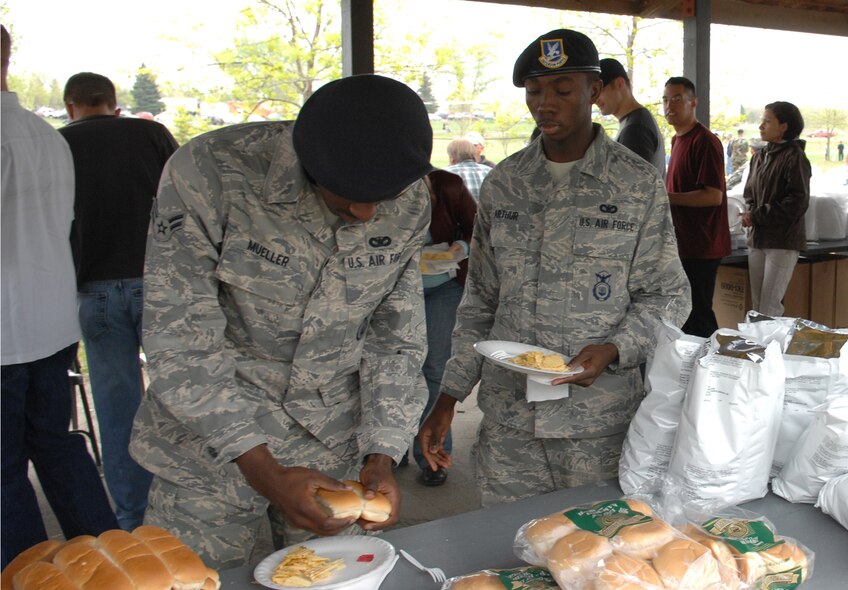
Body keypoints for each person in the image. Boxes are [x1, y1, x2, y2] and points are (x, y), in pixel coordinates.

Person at [128, 74, 435, 569]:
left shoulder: (413, 198)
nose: (365, 211)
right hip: (209, 453)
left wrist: (381, 453)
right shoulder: (211, 173)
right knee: (188, 579)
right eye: (349, 194)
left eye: (384, 196)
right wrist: (263, 469)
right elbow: (181, 340)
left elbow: (395, 340)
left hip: (332, 451)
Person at [418, 29, 691, 508]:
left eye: (563, 91)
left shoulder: (636, 184)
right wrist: (449, 395)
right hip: (509, 423)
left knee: (594, 561)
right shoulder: (505, 183)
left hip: (597, 426)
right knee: (507, 558)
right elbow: (480, 299)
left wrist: (615, 347)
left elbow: (666, 294)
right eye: (534, 92)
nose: (546, 104)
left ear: (595, 91)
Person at [1, 25, 118, 568]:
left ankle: (28, 574)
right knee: (57, 443)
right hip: (49, 319)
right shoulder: (46, 134)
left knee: (3, 468)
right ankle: (108, 559)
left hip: (5, 328)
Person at [58, 72, 179, 531]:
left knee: (117, 410)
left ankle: (132, 516)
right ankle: (186, 505)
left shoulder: (60, 145)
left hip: (95, 288)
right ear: (115, 103)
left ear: (71, 106)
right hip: (162, 284)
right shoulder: (151, 133)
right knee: (183, 397)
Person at [411, 169, 477, 487]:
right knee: (392, 368)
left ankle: (433, 455)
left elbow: (478, 228)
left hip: (442, 286)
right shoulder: (371, 186)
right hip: (392, 290)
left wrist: (459, 249)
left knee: (437, 366)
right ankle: (384, 449)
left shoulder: (447, 185)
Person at [662, 76, 732, 338]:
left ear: (693, 103)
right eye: (666, 100)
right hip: (682, 243)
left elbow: (713, 196)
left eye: (677, 99)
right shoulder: (677, 139)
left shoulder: (705, 141)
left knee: (698, 314)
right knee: (684, 314)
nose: (670, 106)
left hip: (702, 246)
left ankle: (710, 370)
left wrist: (666, 197)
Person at [740, 101, 811, 317]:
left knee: (770, 306)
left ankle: (771, 349)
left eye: (768, 121)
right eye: (762, 120)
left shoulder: (795, 157)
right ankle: (759, 348)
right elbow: (749, 193)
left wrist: (758, 215)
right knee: (758, 305)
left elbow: (797, 201)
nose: (761, 126)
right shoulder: (759, 157)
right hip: (758, 237)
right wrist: (750, 213)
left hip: (782, 240)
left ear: (784, 126)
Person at [595, 57, 665, 177]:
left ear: (619, 83)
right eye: (593, 92)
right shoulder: (637, 120)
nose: (595, 99)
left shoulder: (635, 129)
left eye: (600, 90)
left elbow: (637, 190)